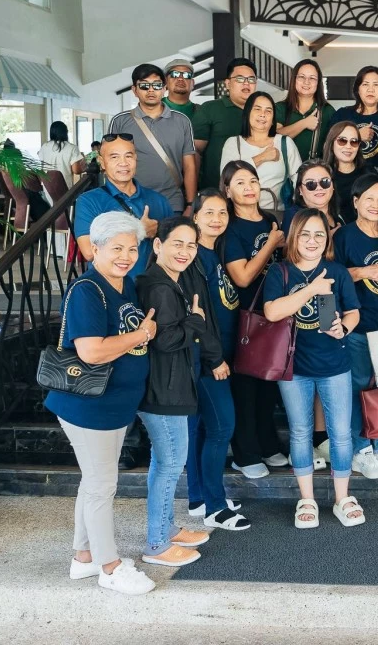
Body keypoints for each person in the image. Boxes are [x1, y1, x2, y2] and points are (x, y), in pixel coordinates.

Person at [46, 211, 157, 595]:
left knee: (94, 481)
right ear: (95, 248)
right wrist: (141, 334)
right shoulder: (87, 290)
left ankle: (84, 557)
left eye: (132, 248)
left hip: (113, 406)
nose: (126, 256)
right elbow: (91, 351)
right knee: (101, 485)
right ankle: (109, 567)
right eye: (117, 248)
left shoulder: (123, 287)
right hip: (89, 407)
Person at [263, 208, 366, 528]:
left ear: (326, 239)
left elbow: (353, 312)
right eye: (305, 234)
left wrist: (343, 328)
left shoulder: (338, 271)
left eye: (319, 234)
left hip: (335, 364)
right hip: (293, 367)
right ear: (294, 236)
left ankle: (342, 498)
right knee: (300, 431)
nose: (312, 240)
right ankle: (306, 499)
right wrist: (311, 289)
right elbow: (271, 312)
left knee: (341, 433)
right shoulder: (280, 272)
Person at [135, 217, 223, 566]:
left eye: (191, 245)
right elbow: (166, 339)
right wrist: (196, 321)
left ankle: (166, 528)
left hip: (166, 386)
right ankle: (157, 544)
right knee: (170, 465)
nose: (185, 251)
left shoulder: (165, 282)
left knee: (163, 462)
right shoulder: (159, 287)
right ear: (158, 245)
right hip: (164, 389)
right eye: (177, 243)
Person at [332, 175, 378, 476]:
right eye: (369, 199)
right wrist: (363, 272)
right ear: (355, 202)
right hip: (359, 327)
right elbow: (332, 277)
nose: (375, 205)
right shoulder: (344, 236)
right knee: (359, 387)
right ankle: (360, 449)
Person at [220, 161, 289, 480]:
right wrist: (272, 244)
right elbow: (243, 277)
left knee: (268, 383)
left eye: (253, 180)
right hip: (244, 315)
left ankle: (267, 443)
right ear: (227, 190)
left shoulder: (270, 220)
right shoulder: (230, 227)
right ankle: (245, 453)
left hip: (274, 312)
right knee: (245, 385)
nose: (249, 187)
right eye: (239, 182)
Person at [188, 190, 250, 529]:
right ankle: (214, 506)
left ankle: (199, 497)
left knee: (202, 427)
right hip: (206, 359)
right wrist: (213, 359)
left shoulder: (212, 253)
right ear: (195, 216)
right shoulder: (194, 256)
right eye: (209, 212)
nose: (216, 219)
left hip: (218, 354)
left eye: (222, 212)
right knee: (222, 426)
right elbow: (195, 317)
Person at [75, 133, 173, 279]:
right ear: (102, 162)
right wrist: (139, 230)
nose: (123, 163)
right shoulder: (89, 201)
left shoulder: (158, 200)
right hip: (110, 287)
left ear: (135, 159)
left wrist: (159, 232)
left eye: (128, 156)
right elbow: (89, 252)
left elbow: (174, 247)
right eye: (114, 157)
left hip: (152, 287)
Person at [108, 63, 198, 214]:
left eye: (157, 85)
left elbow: (189, 166)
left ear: (164, 88)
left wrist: (190, 205)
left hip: (172, 202)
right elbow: (110, 164)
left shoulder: (182, 121)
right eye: (144, 85)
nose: (151, 90)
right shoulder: (120, 121)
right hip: (130, 203)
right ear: (134, 90)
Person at [219, 90, 301, 212]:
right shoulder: (233, 143)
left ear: (273, 119)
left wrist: (293, 210)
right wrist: (262, 157)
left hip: (276, 213)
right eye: (257, 109)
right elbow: (226, 178)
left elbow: (299, 179)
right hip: (240, 213)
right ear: (247, 113)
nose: (263, 114)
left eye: (268, 111)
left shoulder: (285, 143)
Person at [192, 58, 258, 191]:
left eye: (251, 79)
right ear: (228, 84)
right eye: (240, 79)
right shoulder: (210, 109)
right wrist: (193, 193)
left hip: (253, 191)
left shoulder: (263, 112)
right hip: (216, 191)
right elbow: (195, 152)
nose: (246, 83)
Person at [331, 66, 378, 167]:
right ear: (357, 89)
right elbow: (329, 145)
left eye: (376, 85)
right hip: (344, 170)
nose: (371, 89)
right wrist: (357, 136)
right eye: (365, 84)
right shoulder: (341, 115)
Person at [276, 58, 335, 162]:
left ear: (318, 83)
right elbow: (275, 139)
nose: (306, 82)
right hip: (283, 169)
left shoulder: (328, 111)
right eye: (301, 77)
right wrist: (304, 123)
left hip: (315, 170)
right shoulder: (280, 108)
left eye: (312, 78)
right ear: (294, 79)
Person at [323, 120, 371, 223]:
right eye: (342, 141)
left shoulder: (368, 173)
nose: (348, 146)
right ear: (331, 143)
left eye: (354, 142)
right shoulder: (322, 175)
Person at [285, 159, 345, 235]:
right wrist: (328, 237)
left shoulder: (338, 213)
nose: (319, 188)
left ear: (333, 186)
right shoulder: (294, 216)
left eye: (325, 182)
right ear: (300, 190)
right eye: (310, 184)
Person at [38, 121, 86, 194]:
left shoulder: (44, 147)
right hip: (65, 191)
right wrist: (85, 165)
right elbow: (76, 170)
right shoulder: (72, 148)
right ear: (65, 132)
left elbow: (40, 168)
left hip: (48, 189)